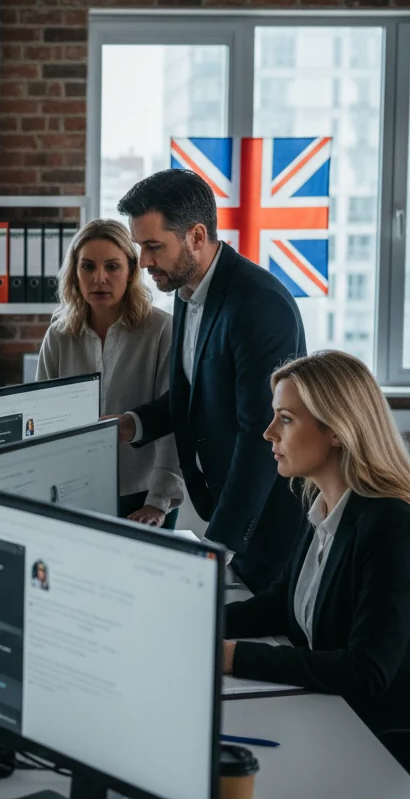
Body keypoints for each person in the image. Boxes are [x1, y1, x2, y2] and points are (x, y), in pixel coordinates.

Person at [114, 169, 306, 591]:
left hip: (266, 529)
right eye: (140, 247)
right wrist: (131, 424)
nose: (143, 263)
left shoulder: (259, 305)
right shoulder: (185, 290)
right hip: (224, 514)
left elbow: (262, 435)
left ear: (196, 237)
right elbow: (196, 395)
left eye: (153, 247)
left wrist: (215, 547)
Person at [224, 352, 410, 737]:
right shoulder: (322, 502)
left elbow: (366, 671)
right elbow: (282, 603)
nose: (269, 431)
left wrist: (232, 657)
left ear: (338, 430)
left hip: (375, 743)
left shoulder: (392, 524)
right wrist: (197, 621)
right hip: (327, 715)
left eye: (286, 419)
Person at [37, 218, 184, 526]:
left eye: (112, 267)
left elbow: (174, 422)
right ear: (75, 274)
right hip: (74, 495)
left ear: (131, 271)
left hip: (144, 496)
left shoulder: (162, 331)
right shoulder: (59, 336)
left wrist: (158, 502)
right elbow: (43, 425)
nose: (99, 278)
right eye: (88, 267)